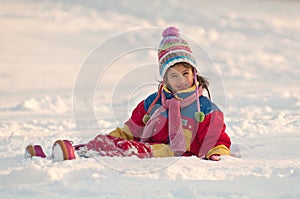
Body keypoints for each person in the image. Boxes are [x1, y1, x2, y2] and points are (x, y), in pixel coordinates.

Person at [26, 26, 231, 161]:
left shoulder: (205, 109)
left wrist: (216, 154)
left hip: (173, 156)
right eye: (173, 75)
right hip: (148, 149)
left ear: (194, 74)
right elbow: (131, 130)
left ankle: (82, 153)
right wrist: (108, 138)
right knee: (115, 142)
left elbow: (217, 140)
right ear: (165, 79)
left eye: (185, 73)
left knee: (127, 150)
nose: (180, 80)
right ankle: (63, 153)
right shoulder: (153, 103)